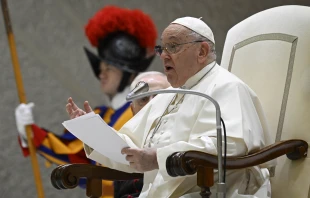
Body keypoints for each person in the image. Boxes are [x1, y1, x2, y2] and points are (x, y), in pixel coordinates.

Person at [67, 16, 274, 197]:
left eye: (173, 47)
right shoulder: (169, 94)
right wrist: (92, 131)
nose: (164, 55)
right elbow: (132, 147)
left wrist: (158, 158)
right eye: (161, 49)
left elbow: (232, 144)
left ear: (202, 51)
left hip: (212, 191)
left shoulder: (227, 87)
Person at [14, 5, 157, 197]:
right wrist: (29, 132)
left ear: (128, 73)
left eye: (109, 68)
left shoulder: (144, 110)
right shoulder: (104, 115)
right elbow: (74, 153)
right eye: (101, 67)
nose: (101, 73)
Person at [114, 71, 170, 198]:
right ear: (133, 109)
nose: (150, 104)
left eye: (158, 97)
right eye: (143, 99)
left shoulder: (186, 129)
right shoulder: (124, 139)